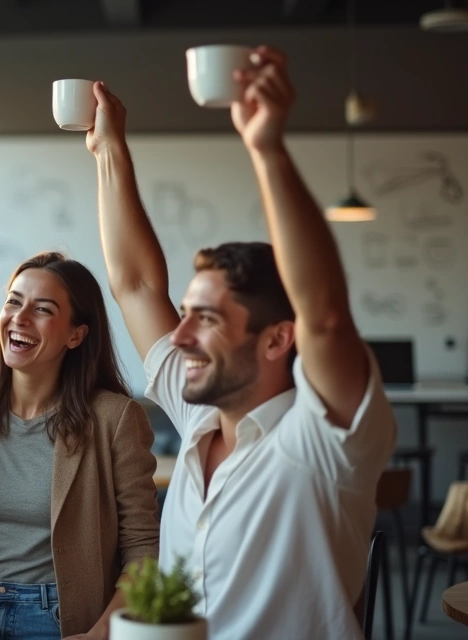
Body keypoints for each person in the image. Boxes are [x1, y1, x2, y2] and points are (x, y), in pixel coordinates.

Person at [89, 47, 396, 639]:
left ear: (280, 337)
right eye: (184, 315)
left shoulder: (323, 442)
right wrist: (108, 151)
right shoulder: (200, 412)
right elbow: (133, 284)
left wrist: (267, 149)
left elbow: (327, 316)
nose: (179, 336)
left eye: (205, 318)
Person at [0, 252, 159, 640]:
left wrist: (101, 633)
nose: (20, 317)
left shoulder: (115, 418)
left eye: (42, 309)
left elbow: (143, 548)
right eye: (13, 301)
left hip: (60, 620)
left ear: (76, 335)